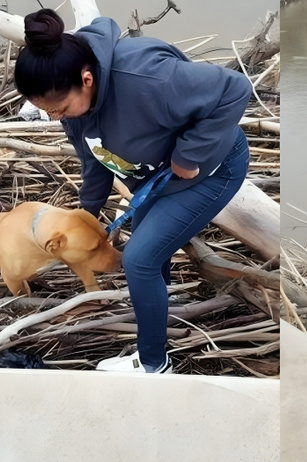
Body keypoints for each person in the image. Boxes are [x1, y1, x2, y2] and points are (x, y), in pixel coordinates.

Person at [14, 9, 252, 373]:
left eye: (58, 108)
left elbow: (234, 90)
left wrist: (189, 155)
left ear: (87, 78)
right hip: (153, 176)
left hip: (208, 171)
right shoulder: (75, 108)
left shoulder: (147, 77)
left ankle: (155, 365)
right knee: (147, 248)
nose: (55, 117)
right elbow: (92, 154)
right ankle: (162, 307)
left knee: (139, 260)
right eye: (46, 111)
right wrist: (87, 214)